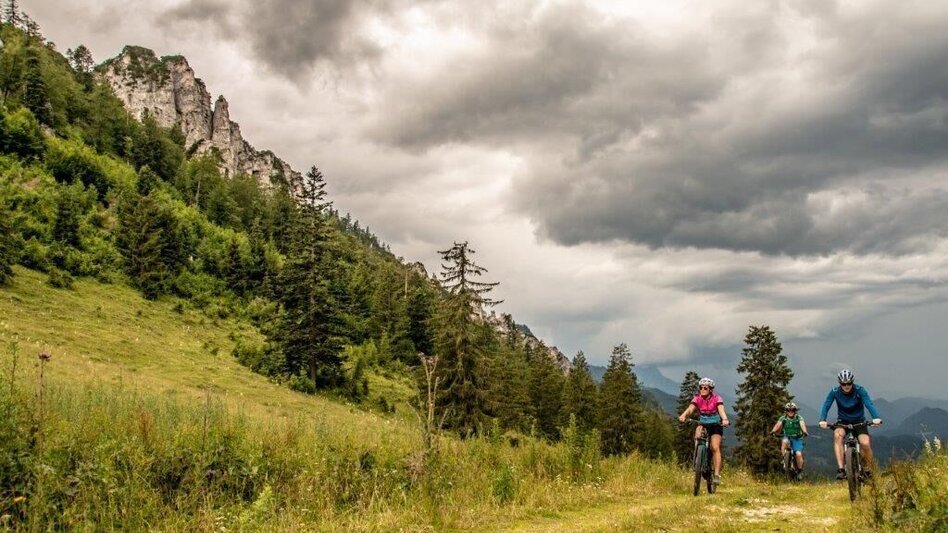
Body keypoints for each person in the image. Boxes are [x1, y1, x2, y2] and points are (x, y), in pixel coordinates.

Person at [818, 369, 883, 480]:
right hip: (843, 421)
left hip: (859, 421)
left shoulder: (860, 390)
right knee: (837, 436)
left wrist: (876, 418)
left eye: (849, 383)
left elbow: (869, 403)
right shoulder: (834, 391)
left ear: (852, 382)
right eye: (844, 384)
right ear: (840, 383)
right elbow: (826, 404)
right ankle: (841, 469)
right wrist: (822, 419)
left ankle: (867, 469)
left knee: (865, 443)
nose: (846, 386)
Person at [678, 377, 730, 485]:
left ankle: (716, 474)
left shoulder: (717, 398)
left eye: (705, 388)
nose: (702, 389)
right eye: (700, 387)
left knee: (715, 447)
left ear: (710, 389)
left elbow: (721, 410)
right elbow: (690, 409)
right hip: (703, 423)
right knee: (697, 434)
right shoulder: (697, 398)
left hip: (716, 425)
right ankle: (699, 458)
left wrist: (724, 419)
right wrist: (684, 415)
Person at [770, 402, 808, 478]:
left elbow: (802, 424)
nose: (790, 412)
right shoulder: (783, 418)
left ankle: (800, 471)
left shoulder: (798, 417)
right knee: (784, 441)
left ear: (795, 411)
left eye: (792, 410)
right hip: (787, 436)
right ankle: (784, 458)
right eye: (788, 410)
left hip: (797, 438)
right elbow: (778, 425)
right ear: (786, 411)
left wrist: (804, 431)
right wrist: (773, 431)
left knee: (798, 454)